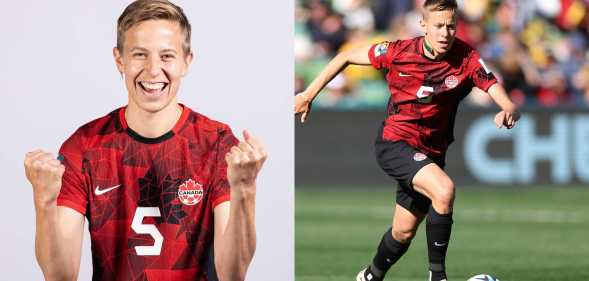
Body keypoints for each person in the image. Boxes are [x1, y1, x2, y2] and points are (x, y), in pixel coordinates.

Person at [23, 1, 266, 280]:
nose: (153, 70)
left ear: (187, 61)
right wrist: (44, 201)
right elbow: (60, 276)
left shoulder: (217, 144)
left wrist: (245, 188)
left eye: (167, 56)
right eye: (140, 54)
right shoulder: (84, 147)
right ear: (119, 60)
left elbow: (233, 274)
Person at [294, 0, 520, 280]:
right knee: (444, 190)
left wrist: (508, 109)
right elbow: (345, 57)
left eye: (451, 26)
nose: (445, 33)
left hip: (431, 152)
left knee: (403, 232)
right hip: (395, 142)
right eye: (438, 26)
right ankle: (437, 276)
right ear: (423, 25)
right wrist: (308, 95)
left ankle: (370, 276)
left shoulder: (467, 59)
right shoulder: (399, 51)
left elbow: (500, 94)